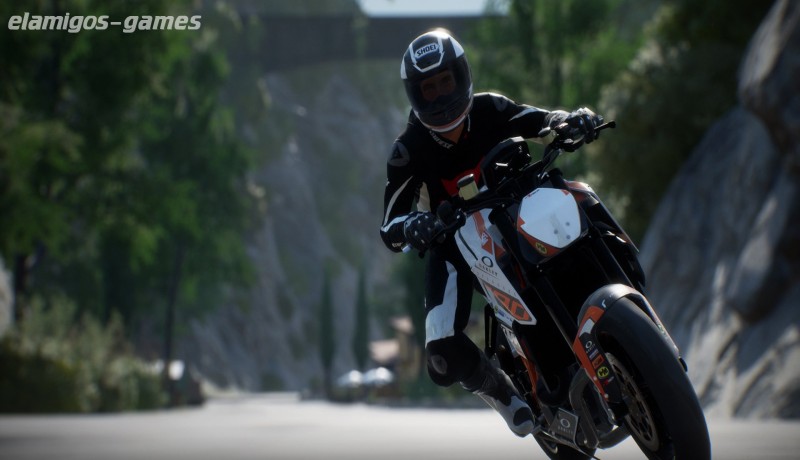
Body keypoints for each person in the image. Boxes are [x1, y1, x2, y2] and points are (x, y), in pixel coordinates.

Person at [379, 29, 603, 437]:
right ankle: (502, 393)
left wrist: (569, 119)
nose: (441, 96)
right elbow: (389, 226)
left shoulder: (490, 107)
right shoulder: (407, 150)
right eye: (429, 88)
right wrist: (412, 225)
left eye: (445, 81)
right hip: (452, 242)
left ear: (462, 75)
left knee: (583, 199)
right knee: (441, 355)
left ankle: (624, 313)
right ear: (415, 95)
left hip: (519, 208)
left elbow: (542, 120)